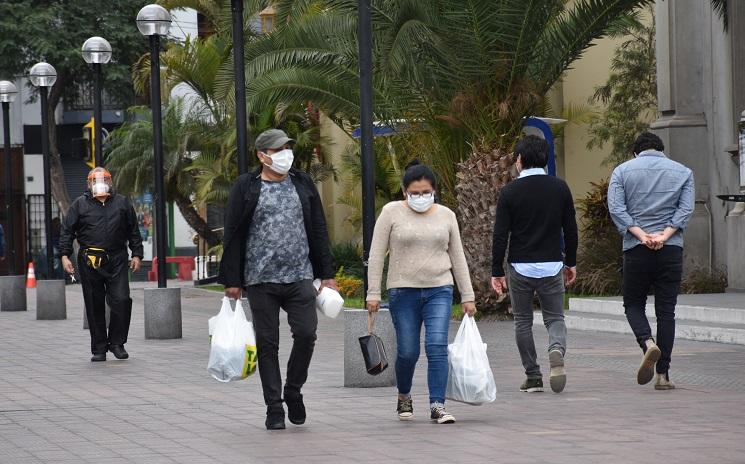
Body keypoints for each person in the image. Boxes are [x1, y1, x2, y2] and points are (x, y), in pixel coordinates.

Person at [218, 128, 337, 431]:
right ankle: (274, 407)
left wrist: (327, 274)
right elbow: (233, 232)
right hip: (260, 279)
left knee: (306, 334)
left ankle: (293, 390)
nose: (285, 154)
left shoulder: (302, 182)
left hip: (300, 276)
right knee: (268, 345)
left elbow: (318, 228)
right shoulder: (246, 186)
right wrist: (232, 280)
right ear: (262, 156)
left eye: (287, 148)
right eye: (277, 150)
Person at [366, 160, 476, 424]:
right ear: (405, 191)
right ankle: (404, 395)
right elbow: (376, 253)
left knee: (436, 346)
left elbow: (458, 256)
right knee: (408, 351)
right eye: (414, 193)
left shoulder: (446, 215)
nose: (420, 197)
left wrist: (468, 295)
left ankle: (437, 404)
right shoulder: (391, 212)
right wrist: (373, 292)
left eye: (426, 192)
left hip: (440, 289)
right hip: (403, 291)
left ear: (434, 190)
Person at [491, 135, 578, 394]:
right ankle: (556, 349)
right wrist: (571, 262)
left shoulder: (509, 192)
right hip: (552, 264)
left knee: (523, 321)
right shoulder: (560, 188)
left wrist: (496, 271)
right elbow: (570, 229)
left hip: (520, 266)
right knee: (555, 318)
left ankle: (533, 377)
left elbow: (500, 235)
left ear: (519, 159)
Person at [608, 132, 694, 390]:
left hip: (637, 249)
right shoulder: (683, 172)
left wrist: (642, 235)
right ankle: (663, 375)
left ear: (636, 152)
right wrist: (664, 235)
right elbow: (685, 209)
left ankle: (647, 342)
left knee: (633, 304)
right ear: (661, 150)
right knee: (666, 312)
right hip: (670, 249)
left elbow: (617, 208)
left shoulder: (621, 172)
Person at [59, 168, 143, 362]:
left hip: (117, 259)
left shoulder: (122, 203)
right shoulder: (80, 205)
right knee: (94, 303)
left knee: (122, 299)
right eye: (95, 180)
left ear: (110, 182)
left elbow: (133, 230)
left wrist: (137, 254)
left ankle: (117, 343)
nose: (100, 183)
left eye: (104, 179)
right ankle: (99, 348)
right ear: (88, 184)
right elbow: (67, 231)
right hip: (90, 260)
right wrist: (64, 255)